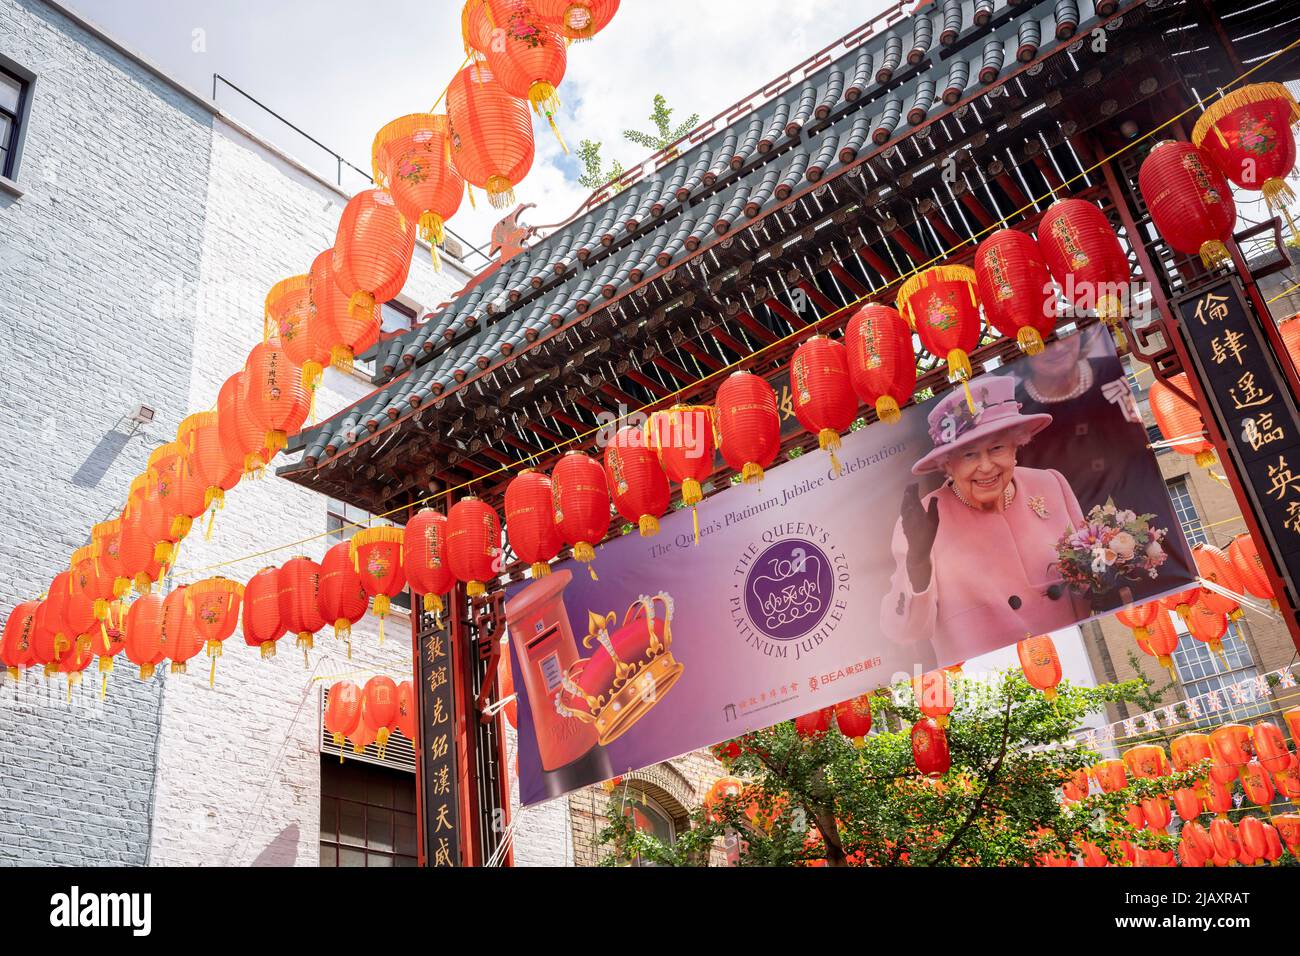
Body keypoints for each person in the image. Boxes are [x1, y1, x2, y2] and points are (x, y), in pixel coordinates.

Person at [880, 374, 1087, 665]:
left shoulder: (1049, 484)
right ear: (947, 464)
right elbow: (903, 631)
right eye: (969, 455)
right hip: (994, 680)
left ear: (1016, 446)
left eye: (997, 448)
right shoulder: (923, 518)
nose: (986, 466)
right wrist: (918, 565)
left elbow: (1089, 578)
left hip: (1075, 658)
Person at [1013, 326, 1189, 597]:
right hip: (1075, 533)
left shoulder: (1108, 370)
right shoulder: (1015, 407)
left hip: (1141, 507)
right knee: (1101, 591)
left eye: (1060, 336)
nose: (1056, 349)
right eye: (1041, 341)